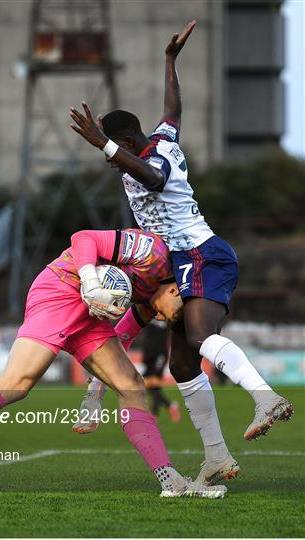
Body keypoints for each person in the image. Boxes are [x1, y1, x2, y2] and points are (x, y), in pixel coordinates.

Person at [69, 21, 293, 482]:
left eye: (112, 152)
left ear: (127, 143)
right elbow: (173, 109)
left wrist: (103, 144)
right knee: (182, 363)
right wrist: (170, 61)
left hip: (200, 253)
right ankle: (216, 456)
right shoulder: (160, 137)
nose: (110, 161)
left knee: (198, 337)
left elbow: (152, 178)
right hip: (174, 263)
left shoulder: (155, 157)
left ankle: (265, 398)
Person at [0, 227, 226, 499]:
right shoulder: (153, 253)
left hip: (92, 315)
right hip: (61, 289)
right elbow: (84, 238)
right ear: (174, 291)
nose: (165, 319)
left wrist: (93, 396)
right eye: (175, 315)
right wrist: (92, 281)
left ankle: (171, 482)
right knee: (17, 385)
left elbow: (120, 339)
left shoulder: (149, 300)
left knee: (132, 387)